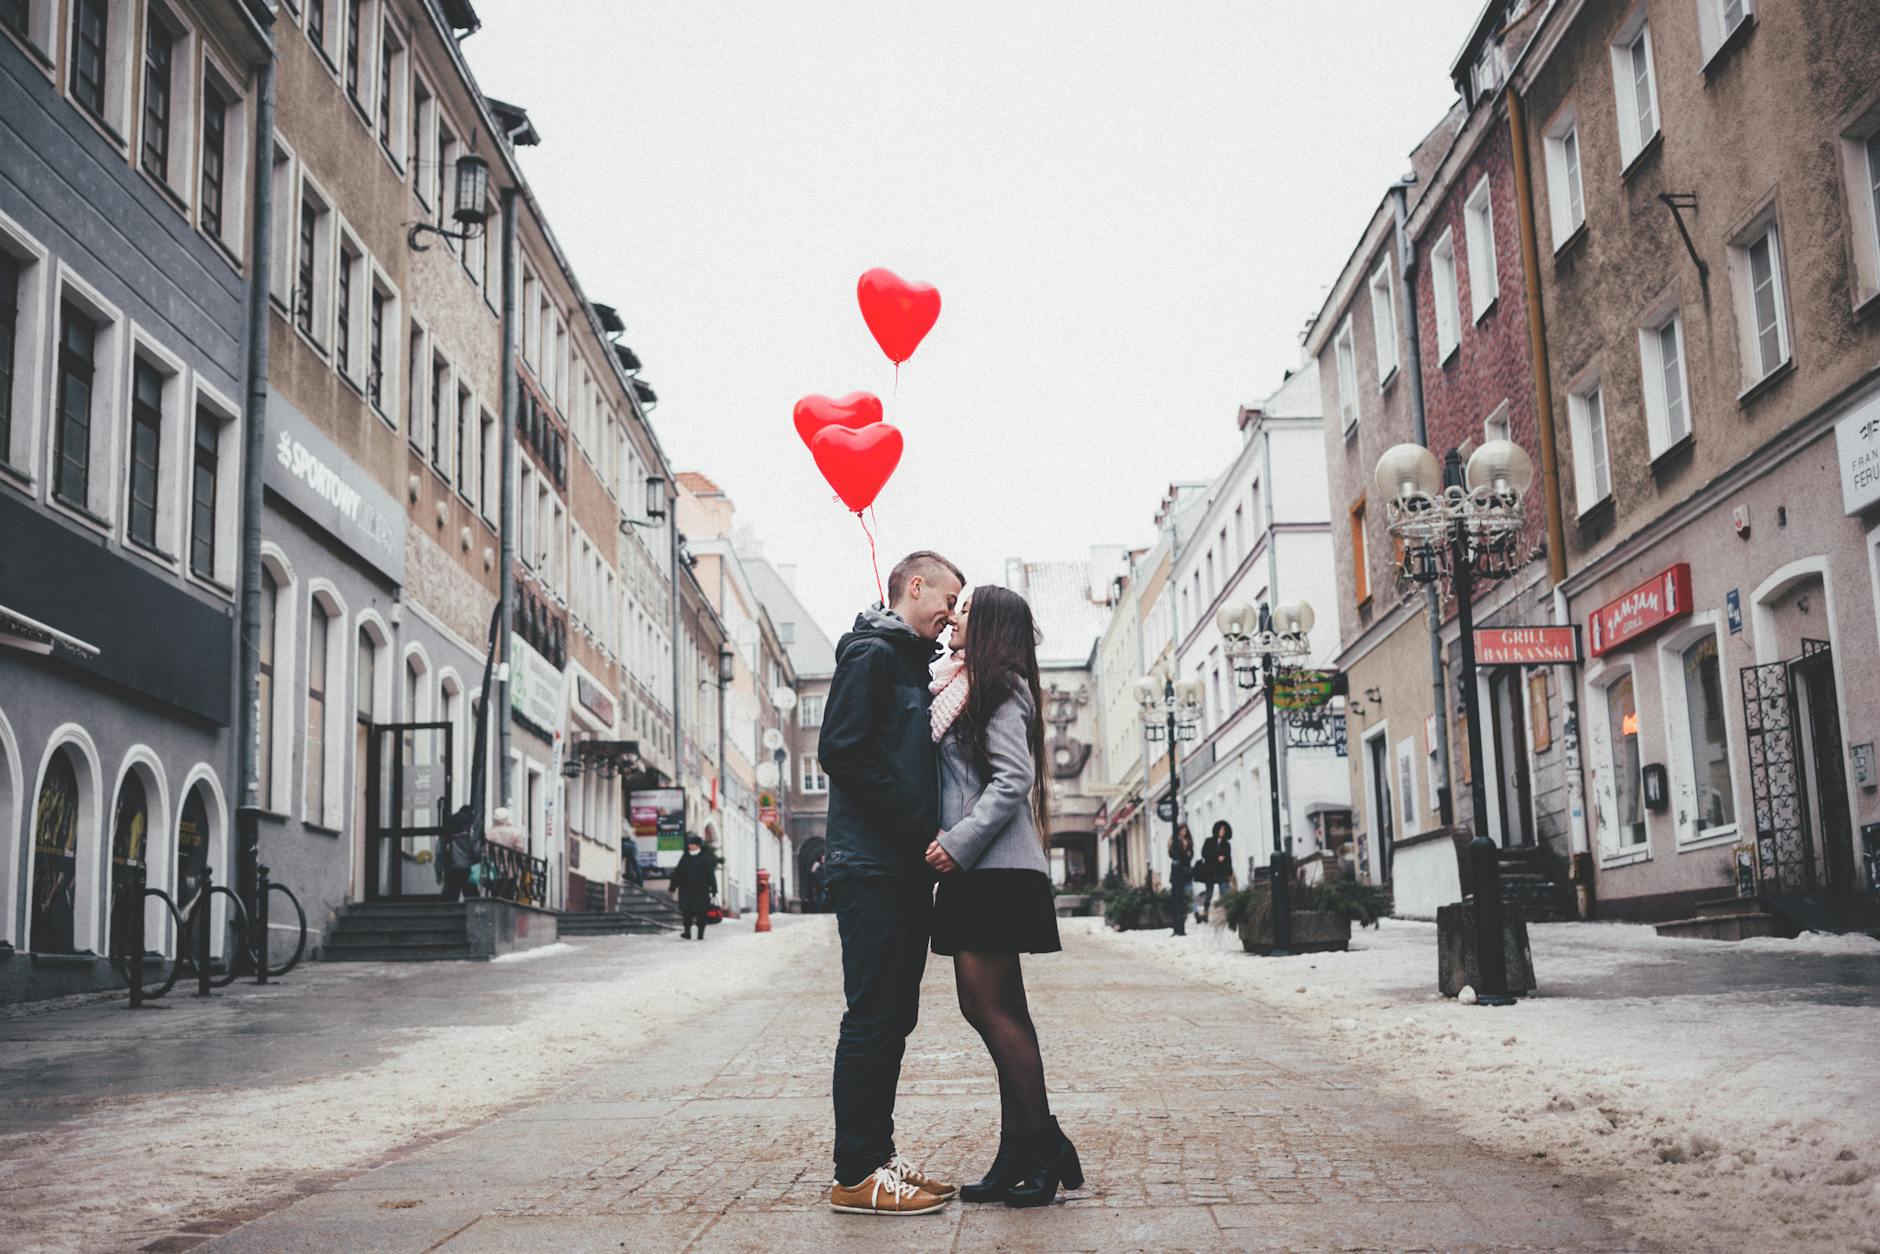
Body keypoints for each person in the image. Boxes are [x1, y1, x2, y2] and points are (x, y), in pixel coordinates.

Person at [925, 586, 1082, 1208]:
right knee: (1003, 1012)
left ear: (988, 624)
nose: (953, 618)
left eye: (964, 610)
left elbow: (1012, 778)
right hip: (979, 870)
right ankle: (1022, 1148)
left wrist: (957, 843)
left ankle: (1040, 1146)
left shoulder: (1002, 687)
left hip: (991, 868)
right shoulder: (958, 686)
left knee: (988, 1011)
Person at [819, 551, 964, 1216]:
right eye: (948, 598)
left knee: (893, 1018)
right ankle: (856, 1173)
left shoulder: (906, 663)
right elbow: (841, 750)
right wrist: (916, 825)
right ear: (915, 585)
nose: (952, 614)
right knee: (874, 1018)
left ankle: (879, 1159)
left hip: (897, 867)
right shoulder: (872, 655)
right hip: (871, 866)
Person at [668, 835, 715, 939]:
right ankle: (687, 932)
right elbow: (678, 873)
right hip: (686, 890)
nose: (690, 846)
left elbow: (710, 875)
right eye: (689, 844)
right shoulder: (685, 857)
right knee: (686, 913)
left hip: (701, 890)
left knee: (701, 913)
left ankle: (700, 934)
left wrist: (714, 889)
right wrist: (672, 887)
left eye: (692, 844)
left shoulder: (705, 858)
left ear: (698, 846)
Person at [1197, 820, 1236, 919]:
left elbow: (1228, 859)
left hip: (1222, 872)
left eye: (1224, 829)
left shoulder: (1226, 844)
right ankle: (1205, 913)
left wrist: (1230, 873)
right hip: (1210, 872)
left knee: (1224, 893)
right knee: (1209, 893)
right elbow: (1204, 853)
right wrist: (1217, 857)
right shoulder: (1209, 841)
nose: (1222, 831)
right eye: (1221, 829)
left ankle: (1227, 914)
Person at [1167, 823, 1195, 936]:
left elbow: (1190, 855)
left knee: (1189, 892)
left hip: (1186, 872)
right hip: (1177, 873)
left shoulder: (1188, 841)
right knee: (1178, 896)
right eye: (1182, 831)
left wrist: (1187, 851)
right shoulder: (1175, 841)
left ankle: (1194, 913)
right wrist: (1182, 849)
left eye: (1185, 831)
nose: (1184, 833)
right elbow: (1173, 854)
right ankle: (1179, 923)